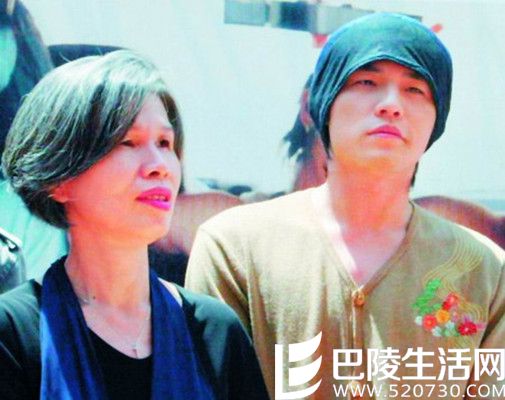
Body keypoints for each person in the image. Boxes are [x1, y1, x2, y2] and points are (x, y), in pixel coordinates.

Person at [186, 13, 505, 399]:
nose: (391, 105)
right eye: (366, 82)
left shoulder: (484, 270)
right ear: (321, 103)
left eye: (415, 89)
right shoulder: (235, 247)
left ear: (438, 118)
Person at [0, 51, 268, 400]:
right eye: (128, 142)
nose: (160, 166)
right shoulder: (14, 332)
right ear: (59, 178)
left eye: (165, 143)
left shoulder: (215, 330)